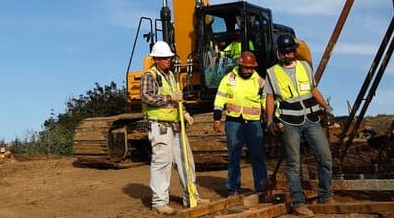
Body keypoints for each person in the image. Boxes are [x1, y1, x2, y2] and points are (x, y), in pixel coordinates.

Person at [265, 33, 332, 217]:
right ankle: (298, 202)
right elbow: (270, 97)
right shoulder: (272, 72)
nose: (286, 55)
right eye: (283, 52)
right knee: (293, 164)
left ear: (294, 52)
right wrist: (270, 119)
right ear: (279, 53)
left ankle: (325, 195)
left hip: (311, 119)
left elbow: (313, 88)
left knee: (325, 158)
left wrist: (326, 106)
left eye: (289, 52)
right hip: (289, 122)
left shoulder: (304, 66)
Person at [141, 41, 201, 215]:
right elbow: (146, 97)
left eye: (169, 57)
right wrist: (169, 98)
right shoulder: (150, 76)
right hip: (160, 126)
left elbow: (178, 100)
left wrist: (184, 113)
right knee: (162, 163)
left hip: (175, 124)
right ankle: (159, 202)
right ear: (157, 59)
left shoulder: (171, 76)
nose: (169, 60)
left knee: (186, 161)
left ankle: (191, 196)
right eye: (165, 58)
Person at [213, 51, 268, 197]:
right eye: (246, 68)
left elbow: (265, 101)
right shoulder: (228, 78)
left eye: (251, 68)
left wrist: (271, 117)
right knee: (234, 155)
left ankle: (262, 187)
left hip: (253, 122)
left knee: (257, 155)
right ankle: (233, 188)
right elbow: (220, 99)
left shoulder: (260, 81)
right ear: (240, 65)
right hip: (233, 121)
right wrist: (217, 118)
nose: (249, 70)